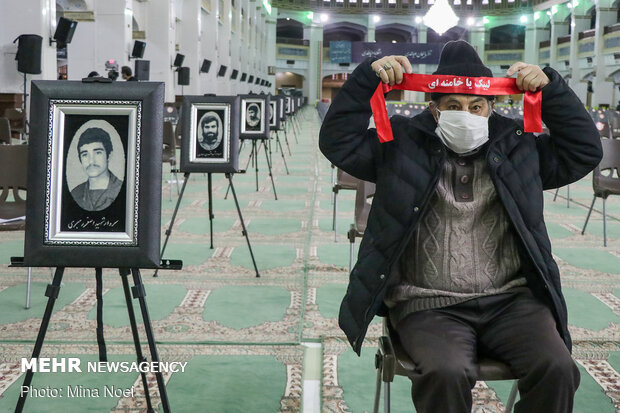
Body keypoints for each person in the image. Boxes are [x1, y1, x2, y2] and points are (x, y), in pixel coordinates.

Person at [319, 40, 602, 413]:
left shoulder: (519, 146)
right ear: (434, 110)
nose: (465, 114)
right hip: (427, 303)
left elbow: (583, 151)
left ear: (491, 107)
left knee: (557, 367)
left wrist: (552, 89)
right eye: (453, 106)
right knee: (446, 371)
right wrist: (365, 78)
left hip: (511, 300)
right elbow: (338, 142)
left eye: (475, 106)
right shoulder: (401, 142)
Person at [70, 127, 123, 211]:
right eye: (85, 154)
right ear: (80, 159)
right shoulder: (75, 193)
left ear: (109, 155)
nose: (91, 161)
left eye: (98, 153)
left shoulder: (122, 190)